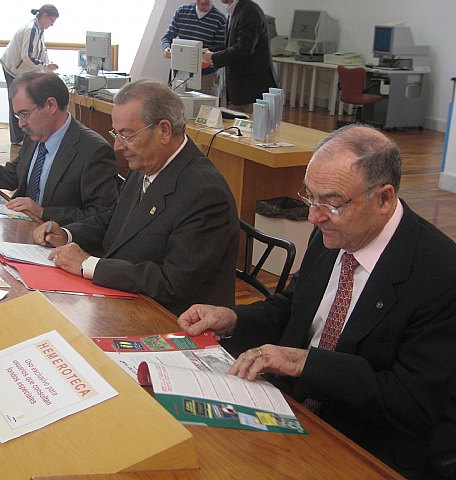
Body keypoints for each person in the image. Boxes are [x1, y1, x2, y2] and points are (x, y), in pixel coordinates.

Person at [178, 124, 456, 479]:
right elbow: (293, 308)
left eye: (332, 203)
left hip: (364, 440)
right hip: (289, 406)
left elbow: (410, 402)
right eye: (310, 197)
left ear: (384, 199)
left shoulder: (440, 273)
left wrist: (305, 363)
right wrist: (233, 320)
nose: (313, 215)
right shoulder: (333, 230)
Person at [33, 79, 240, 316]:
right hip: (122, 300)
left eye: (127, 135)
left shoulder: (205, 193)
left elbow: (172, 283)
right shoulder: (146, 163)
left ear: (164, 131)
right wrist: (67, 234)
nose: (117, 146)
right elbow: (114, 220)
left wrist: (89, 264)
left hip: (168, 318)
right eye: (116, 134)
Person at [0, 71, 118, 225]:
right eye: (18, 116)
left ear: (50, 105)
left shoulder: (93, 151)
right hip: (20, 226)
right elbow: (12, 174)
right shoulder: (37, 133)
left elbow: (101, 215)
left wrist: (43, 212)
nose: (21, 124)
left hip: (57, 242)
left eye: (25, 114)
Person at [201, 0, 277, 113]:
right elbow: (230, 46)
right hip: (240, 92)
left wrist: (213, 57)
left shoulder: (249, 11)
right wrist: (208, 52)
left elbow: (244, 49)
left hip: (252, 92)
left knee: (251, 124)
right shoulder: (236, 10)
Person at [0, 4, 59, 144]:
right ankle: (18, 138)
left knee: (23, 101)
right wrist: (44, 66)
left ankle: (22, 136)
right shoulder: (31, 29)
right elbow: (26, 55)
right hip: (12, 69)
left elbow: (42, 51)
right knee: (16, 102)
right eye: (51, 21)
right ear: (44, 16)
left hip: (20, 70)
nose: (51, 25)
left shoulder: (39, 29)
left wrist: (47, 65)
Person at [161, 0, 226, 97]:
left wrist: (206, 55)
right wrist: (166, 48)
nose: (203, 1)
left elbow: (222, 48)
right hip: (180, 74)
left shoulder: (220, 19)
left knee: (204, 105)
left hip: (206, 76)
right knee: (176, 103)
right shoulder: (182, 11)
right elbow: (167, 37)